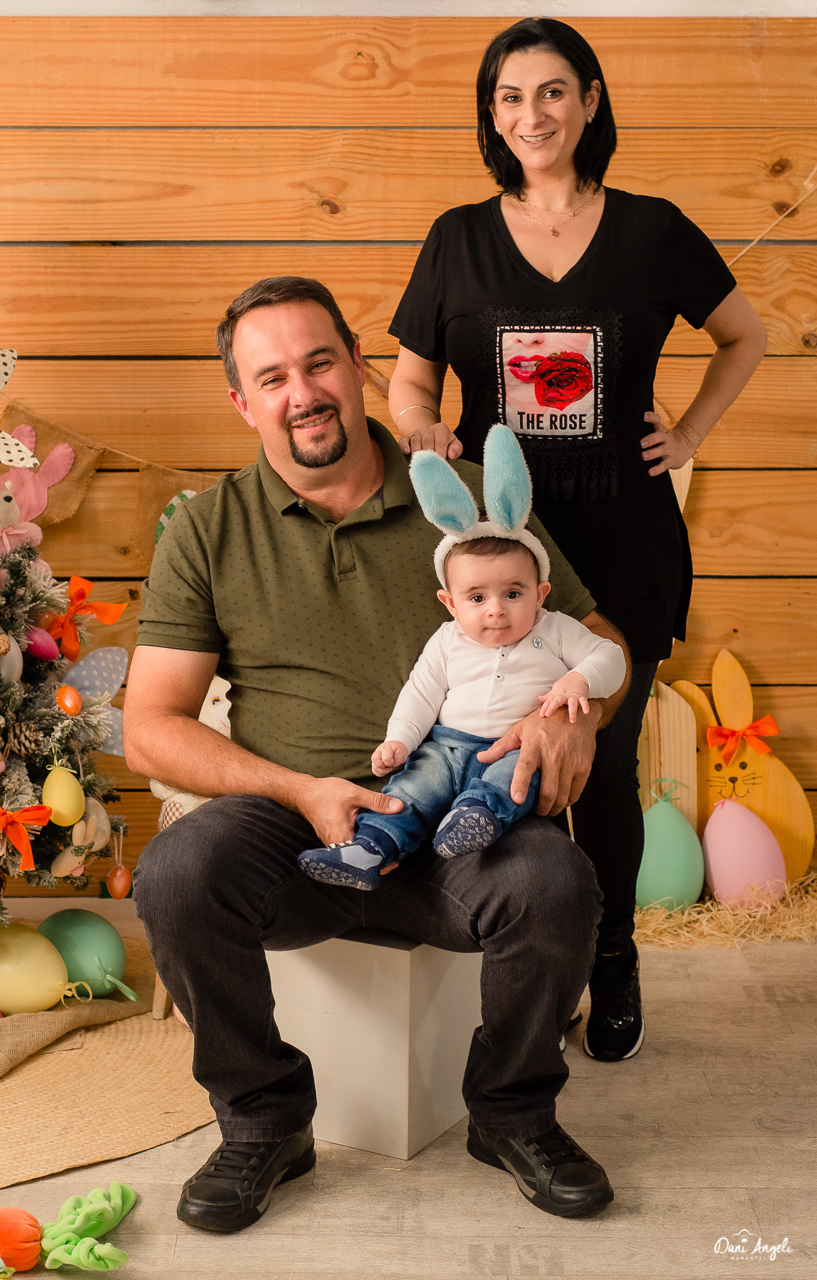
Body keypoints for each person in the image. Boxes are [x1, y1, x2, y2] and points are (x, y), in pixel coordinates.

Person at [126, 275, 631, 1232]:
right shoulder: (208, 526)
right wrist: (299, 791)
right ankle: (265, 1119)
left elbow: (599, 638)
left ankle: (512, 1112)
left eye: (320, 363)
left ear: (359, 367)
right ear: (241, 402)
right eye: (272, 378)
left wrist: (576, 718)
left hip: (462, 826)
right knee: (179, 872)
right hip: (298, 834)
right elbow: (151, 724)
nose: (303, 393)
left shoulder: (468, 501)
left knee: (556, 882)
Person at [387, 17, 767, 1062]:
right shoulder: (457, 238)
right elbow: (411, 378)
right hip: (496, 559)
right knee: (485, 757)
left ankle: (611, 956)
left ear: (590, 101)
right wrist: (419, 425)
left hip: (621, 545)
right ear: (491, 114)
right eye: (510, 97)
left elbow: (745, 334)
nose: (532, 115)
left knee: (595, 765)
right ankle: (525, 965)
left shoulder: (651, 230)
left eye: (552, 92)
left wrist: (688, 434)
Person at [297, 430, 626, 890]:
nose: (496, 610)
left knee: (514, 780)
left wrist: (581, 680)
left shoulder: (553, 629)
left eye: (513, 593)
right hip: (445, 748)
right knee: (413, 790)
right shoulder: (448, 641)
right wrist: (400, 740)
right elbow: (421, 694)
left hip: (515, 746)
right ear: (450, 604)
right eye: (477, 598)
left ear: (541, 594)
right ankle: (369, 848)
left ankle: (476, 818)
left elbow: (611, 656)